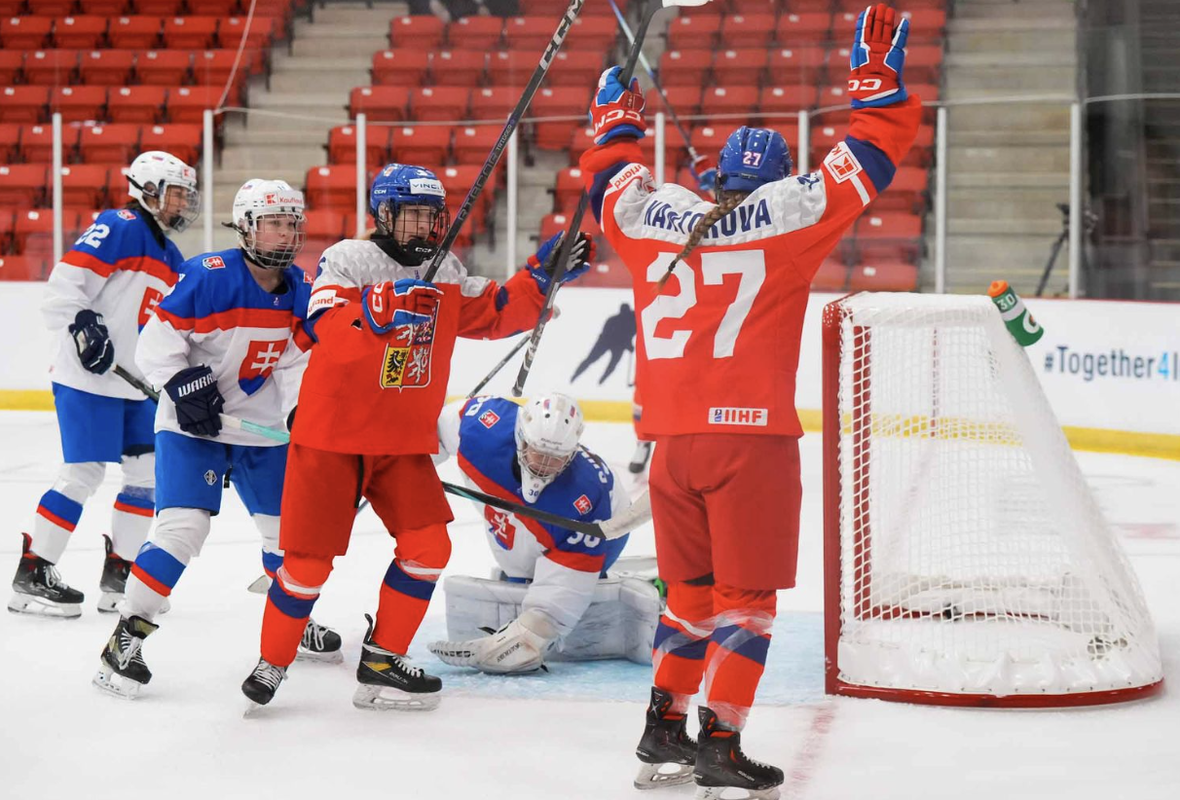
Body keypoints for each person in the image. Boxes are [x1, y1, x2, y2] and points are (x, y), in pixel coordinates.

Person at [579, 5, 922, 797]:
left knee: (690, 599)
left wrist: (616, 124)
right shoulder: (790, 216)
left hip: (669, 450)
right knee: (748, 604)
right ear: (774, 177)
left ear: (713, 179)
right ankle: (721, 741)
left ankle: (662, 726)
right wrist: (875, 87)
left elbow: (609, 181)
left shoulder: (646, 216)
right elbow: (869, 157)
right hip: (749, 446)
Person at [239, 163, 593, 711]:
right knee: (307, 565)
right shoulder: (349, 258)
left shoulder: (444, 266)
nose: (424, 224)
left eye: (431, 214)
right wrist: (373, 311)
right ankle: (272, 661)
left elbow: (495, 310)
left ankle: (382, 658)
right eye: (411, 213)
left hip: (401, 441)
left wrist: (540, 276)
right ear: (383, 214)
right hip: (332, 435)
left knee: (429, 548)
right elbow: (325, 325)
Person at [93, 179, 340, 698]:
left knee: (290, 539)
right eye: (274, 221)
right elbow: (156, 341)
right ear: (246, 225)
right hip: (192, 428)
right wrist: (180, 383)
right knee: (182, 532)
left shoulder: (301, 288)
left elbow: (295, 364)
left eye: (293, 222)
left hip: (262, 431)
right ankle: (125, 638)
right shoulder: (209, 276)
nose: (285, 232)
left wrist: (301, 413)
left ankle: (292, 620)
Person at [10, 151, 197, 618]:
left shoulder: (171, 256)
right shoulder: (120, 225)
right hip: (89, 379)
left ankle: (121, 573)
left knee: (145, 478)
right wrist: (82, 324)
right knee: (84, 473)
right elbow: (64, 286)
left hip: (135, 387)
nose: (182, 204)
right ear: (149, 190)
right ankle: (34, 572)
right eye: (175, 194)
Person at [426, 393, 660, 674]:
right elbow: (431, 437)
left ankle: (557, 583)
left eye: (556, 458)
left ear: (572, 453)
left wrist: (530, 636)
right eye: (538, 452)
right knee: (514, 558)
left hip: (604, 532)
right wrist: (396, 470)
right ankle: (522, 577)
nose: (544, 465)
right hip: (520, 515)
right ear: (520, 437)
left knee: (536, 573)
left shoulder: (585, 497)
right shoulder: (480, 425)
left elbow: (566, 582)